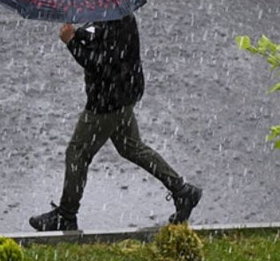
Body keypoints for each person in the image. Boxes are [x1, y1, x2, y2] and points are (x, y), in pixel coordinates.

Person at [29, 13, 202, 231]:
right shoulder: (116, 14)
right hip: (122, 95)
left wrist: (71, 42)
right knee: (130, 146)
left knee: (77, 153)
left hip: (107, 102)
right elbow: (99, 38)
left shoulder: (113, 21)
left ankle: (66, 214)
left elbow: (101, 64)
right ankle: (183, 191)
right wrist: (79, 33)